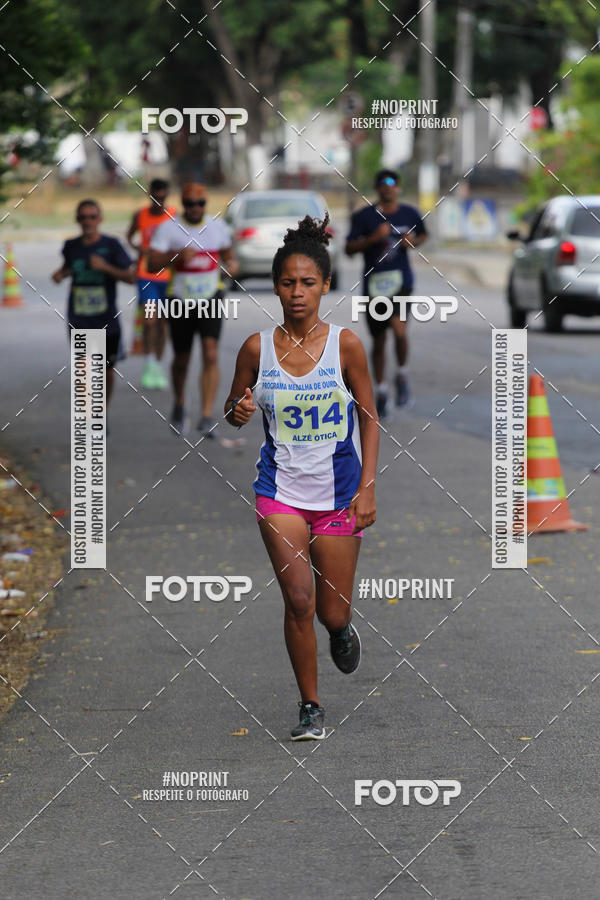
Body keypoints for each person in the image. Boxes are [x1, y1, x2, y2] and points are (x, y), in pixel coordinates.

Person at [224, 215, 379, 740]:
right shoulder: (255, 349)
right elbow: (233, 407)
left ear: (326, 286)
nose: (297, 293)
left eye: (307, 282)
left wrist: (368, 487)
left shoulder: (346, 347)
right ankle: (310, 705)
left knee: (332, 612)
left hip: (338, 494)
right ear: (275, 286)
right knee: (298, 601)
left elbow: (369, 417)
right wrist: (238, 412)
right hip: (279, 493)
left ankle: (340, 631)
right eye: (288, 283)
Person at [147, 183, 238, 437]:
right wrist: (175, 256)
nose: (195, 208)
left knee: (210, 353)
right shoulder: (169, 228)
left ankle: (207, 415)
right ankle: (178, 404)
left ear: (205, 204)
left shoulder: (217, 227)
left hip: (211, 298)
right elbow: (151, 263)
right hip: (180, 300)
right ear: (183, 204)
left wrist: (232, 266)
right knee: (182, 359)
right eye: (189, 204)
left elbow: (230, 257)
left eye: (200, 204)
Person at [345, 168, 427, 416]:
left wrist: (412, 241)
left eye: (392, 183)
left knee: (400, 330)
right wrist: (372, 238)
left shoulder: (409, 213)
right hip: (375, 285)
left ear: (398, 188)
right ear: (377, 188)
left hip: (401, 281)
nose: (388, 187)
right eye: (383, 183)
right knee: (379, 340)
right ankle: (381, 389)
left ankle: (401, 375)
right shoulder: (364, 217)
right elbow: (348, 248)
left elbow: (423, 235)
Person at [52, 199, 135, 412]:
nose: (87, 221)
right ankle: (90, 418)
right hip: (79, 318)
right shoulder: (71, 246)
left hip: (107, 321)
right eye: (83, 217)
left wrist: (105, 267)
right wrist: (61, 274)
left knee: (105, 371)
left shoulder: (111, 245)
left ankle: (101, 412)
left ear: (100, 219)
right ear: (77, 220)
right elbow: (67, 268)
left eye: (92, 217)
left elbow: (131, 277)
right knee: (84, 370)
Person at [126, 179, 176, 390]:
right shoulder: (141, 215)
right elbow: (129, 236)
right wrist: (140, 249)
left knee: (162, 324)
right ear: (150, 195)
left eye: (163, 196)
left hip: (169, 277)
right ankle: (149, 363)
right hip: (146, 276)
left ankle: (158, 364)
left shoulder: (174, 215)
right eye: (156, 196)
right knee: (148, 321)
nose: (160, 200)